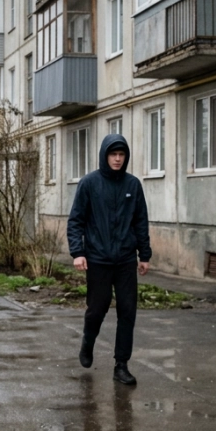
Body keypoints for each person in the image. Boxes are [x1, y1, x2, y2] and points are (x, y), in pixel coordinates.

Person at [66, 133, 151, 386]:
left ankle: (121, 365)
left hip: (125, 259)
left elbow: (140, 222)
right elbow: (76, 220)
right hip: (98, 259)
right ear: (105, 155)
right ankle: (88, 341)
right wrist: (78, 252)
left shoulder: (133, 185)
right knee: (97, 310)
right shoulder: (89, 183)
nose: (117, 159)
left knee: (127, 312)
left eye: (121, 154)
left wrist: (144, 255)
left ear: (126, 157)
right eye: (113, 154)